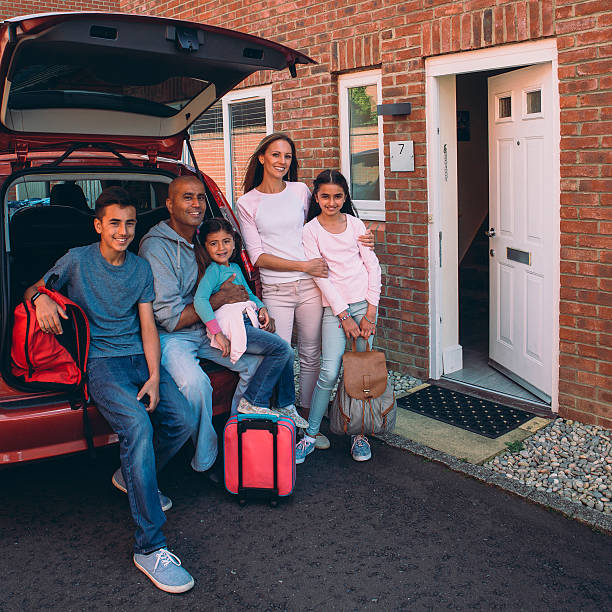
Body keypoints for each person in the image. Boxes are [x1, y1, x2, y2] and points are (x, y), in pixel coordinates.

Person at [25, 187, 196, 593]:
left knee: (183, 421)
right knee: (137, 427)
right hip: (101, 364)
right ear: (99, 224)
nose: (123, 231)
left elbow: (148, 326)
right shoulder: (78, 259)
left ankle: (132, 476)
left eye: (130, 223)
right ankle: (150, 546)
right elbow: (33, 289)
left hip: (138, 358)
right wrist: (42, 301)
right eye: (115, 223)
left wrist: (155, 376)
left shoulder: (139, 268)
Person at [236, 133, 374, 449]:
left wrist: (362, 239)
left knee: (311, 355)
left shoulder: (300, 192)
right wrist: (303, 266)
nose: (282, 161)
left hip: (312, 288)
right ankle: (286, 419)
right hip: (277, 288)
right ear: (262, 158)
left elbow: (331, 220)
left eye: (287, 156)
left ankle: (308, 419)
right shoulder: (247, 203)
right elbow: (257, 256)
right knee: (281, 352)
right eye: (275, 155)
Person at [139, 176, 262, 476]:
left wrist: (255, 310)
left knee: (255, 363)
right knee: (196, 385)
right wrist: (220, 299)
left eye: (199, 197)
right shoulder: (156, 247)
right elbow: (169, 318)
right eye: (187, 198)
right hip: (173, 336)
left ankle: (235, 432)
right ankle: (206, 455)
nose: (196, 204)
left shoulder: (205, 238)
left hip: (209, 328)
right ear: (169, 204)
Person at [296, 170, 382, 463]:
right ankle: (309, 435)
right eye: (325, 196)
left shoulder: (356, 225)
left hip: (364, 308)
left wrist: (371, 312)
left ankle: (359, 433)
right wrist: (343, 314)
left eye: (337, 196)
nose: (331, 202)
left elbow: (373, 268)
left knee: (361, 373)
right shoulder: (310, 230)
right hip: (335, 310)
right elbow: (321, 276)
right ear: (316, 197)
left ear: (345, 197)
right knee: (329, 371)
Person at [192, 217, 306, 426]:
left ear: (234, 243)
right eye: (213, 243)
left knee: (287, 351)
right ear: (205, 247)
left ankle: (284, 404)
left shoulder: (234, 267)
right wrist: (216, 332)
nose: (221, 248)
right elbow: (200, 301)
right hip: (233, 327)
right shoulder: (213, 271)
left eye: (226, 241)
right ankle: (255, 400)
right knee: (282, 349)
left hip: (247, 322)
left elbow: (249, 296)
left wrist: (262, 308)